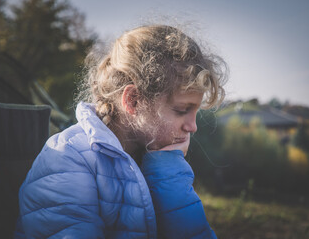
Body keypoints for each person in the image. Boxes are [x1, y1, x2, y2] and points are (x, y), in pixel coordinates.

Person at [15, 24, 226, 238]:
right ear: (133, 100)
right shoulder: (66, 159)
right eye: (182, 110)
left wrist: (168, 174)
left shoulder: (160, 158)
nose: (193, 126)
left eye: (195, 112)